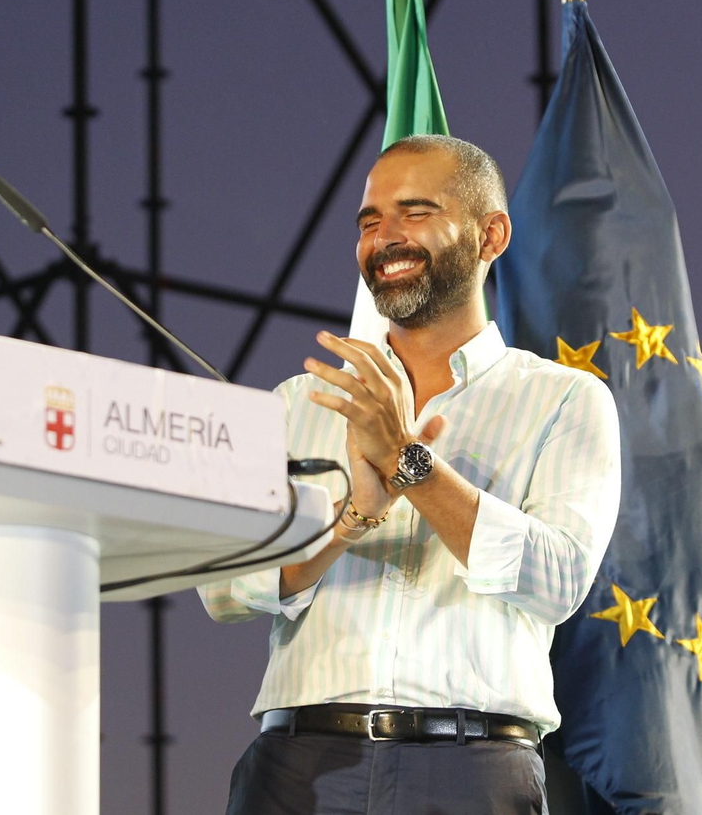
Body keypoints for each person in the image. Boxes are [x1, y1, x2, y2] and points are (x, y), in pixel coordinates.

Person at [201, 134, 622, 815]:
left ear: (491, 235)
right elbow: (223, 588)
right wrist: (350, 520)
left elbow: (558, 580)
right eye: (369, 221)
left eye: (415, 212)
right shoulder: (295, 404)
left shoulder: (566, 400)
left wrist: (410, 463)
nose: (384, 237)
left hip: (472, 773)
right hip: (300, 770)